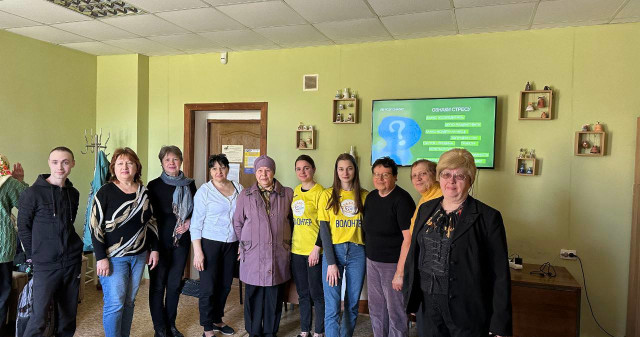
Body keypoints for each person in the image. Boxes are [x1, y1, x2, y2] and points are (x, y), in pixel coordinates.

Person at [403, 149, 512, 337]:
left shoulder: (488, 217)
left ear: (470, 180)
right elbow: (414, 255)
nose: (451, 181)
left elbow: (500, 273)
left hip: (467, 310)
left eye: (459, 175)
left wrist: (500, 323)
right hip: (428, 307)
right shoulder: (425, 209)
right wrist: (411, 298)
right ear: (439, 177)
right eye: (446, 174)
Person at [91, 147, 159, 337]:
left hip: (138, 256)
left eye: (129, 163)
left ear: (137, 167)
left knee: (129, 301)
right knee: (115, 303)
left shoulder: (144, 192)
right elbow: (95, 226)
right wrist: (101, 257)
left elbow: (151, 222)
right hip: (114, 258)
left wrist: (154, 249)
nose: (125, 167)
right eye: (120, 163)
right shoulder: (105, 192)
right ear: (113, 168)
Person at [17, 147, 83, 337]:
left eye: (65, 162)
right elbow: (23, 228)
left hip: (71, 263)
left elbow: (68, 224)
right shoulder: (32, 193)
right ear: (49, 163)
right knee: (38, 319)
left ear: (72, 164)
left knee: (68, 317)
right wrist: (34, 256)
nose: (60, 167)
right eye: (55, 162)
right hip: (45, 265)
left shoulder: (74, 193)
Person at [233, 155, 293, 337]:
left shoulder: (287, 193)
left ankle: (270, 332)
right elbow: (238, 222)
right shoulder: (246, 194)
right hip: (253, 252)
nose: (263, 174)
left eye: (267, 170)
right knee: (254, 293)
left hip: (278, 251)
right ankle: (253, 331)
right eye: (259, 170)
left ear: (273, 172)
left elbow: (292, 221)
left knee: (274, 295)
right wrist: (244, 244)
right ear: (255, 173)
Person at [363, 157, 415, 337]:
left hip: (393, 265)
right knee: (377, 309)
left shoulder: (402, 200)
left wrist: (400, 273)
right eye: (376, 174)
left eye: (385, 175)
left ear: (395, 177)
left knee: (396, 312)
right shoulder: (370, 198)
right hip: (372, 262)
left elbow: (408, 239)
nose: (380, 179)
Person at [147, 146, 197, 337]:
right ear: (161, 162)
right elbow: (149, 219)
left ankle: (171, 325)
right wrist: (152, 247)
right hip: (158, 244)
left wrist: (189, 222)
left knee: (175, 285)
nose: (171, 163)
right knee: (158, 285)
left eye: (175, 159)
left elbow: (197, 211)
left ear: (181, 161)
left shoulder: (190, 184)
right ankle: (159, 328)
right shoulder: (153, 186)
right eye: (167, 159)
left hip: (181, 243)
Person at [191, 154, 243, 337]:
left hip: (231, 244)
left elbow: (243, 218)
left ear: (228, 169)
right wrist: (198, 252)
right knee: (208, 287)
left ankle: (217, 320)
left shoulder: (238, 188)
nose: (218, 171)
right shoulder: (204, 191)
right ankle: (207, 328)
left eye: (222, 167)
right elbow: (195, 224)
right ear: (210, 171)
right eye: (214, 168)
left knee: (225, 285)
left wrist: (241, 243)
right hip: (209, 244)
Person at [318, 153, 368, 337]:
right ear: (336, 171)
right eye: (341, 169)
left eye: (349, 168)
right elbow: (324, 232)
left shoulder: (364, 196)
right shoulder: (327, 195)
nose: (345, 172)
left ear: (355, 170)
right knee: (332, 305)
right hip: (334, 252)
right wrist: (331, 262)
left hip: (357, 252)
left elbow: (368, 230)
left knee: (352, 303)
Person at [407, 159, 442, 336]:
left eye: (423, 173)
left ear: (435, 175)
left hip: (434, 278)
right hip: (423, 274)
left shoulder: (441, 198)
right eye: (414, 175)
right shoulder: (424, 199)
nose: (418, 178)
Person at [290, 155, 325, 337]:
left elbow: (325, 225)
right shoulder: (295, 191)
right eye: (298, 169)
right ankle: (305, 331)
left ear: (313, 169)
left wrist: (316, 249)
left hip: (314, 252)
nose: (302, 172)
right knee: (302, 293)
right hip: (297, 250)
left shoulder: (321, 192)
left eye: (306, 168)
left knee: (317, 293)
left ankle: (319, 332)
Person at [0, 155, 28, 334]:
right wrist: (19, 182)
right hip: (2, 247)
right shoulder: (6, 180)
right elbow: (28, 202)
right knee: (2, 294)